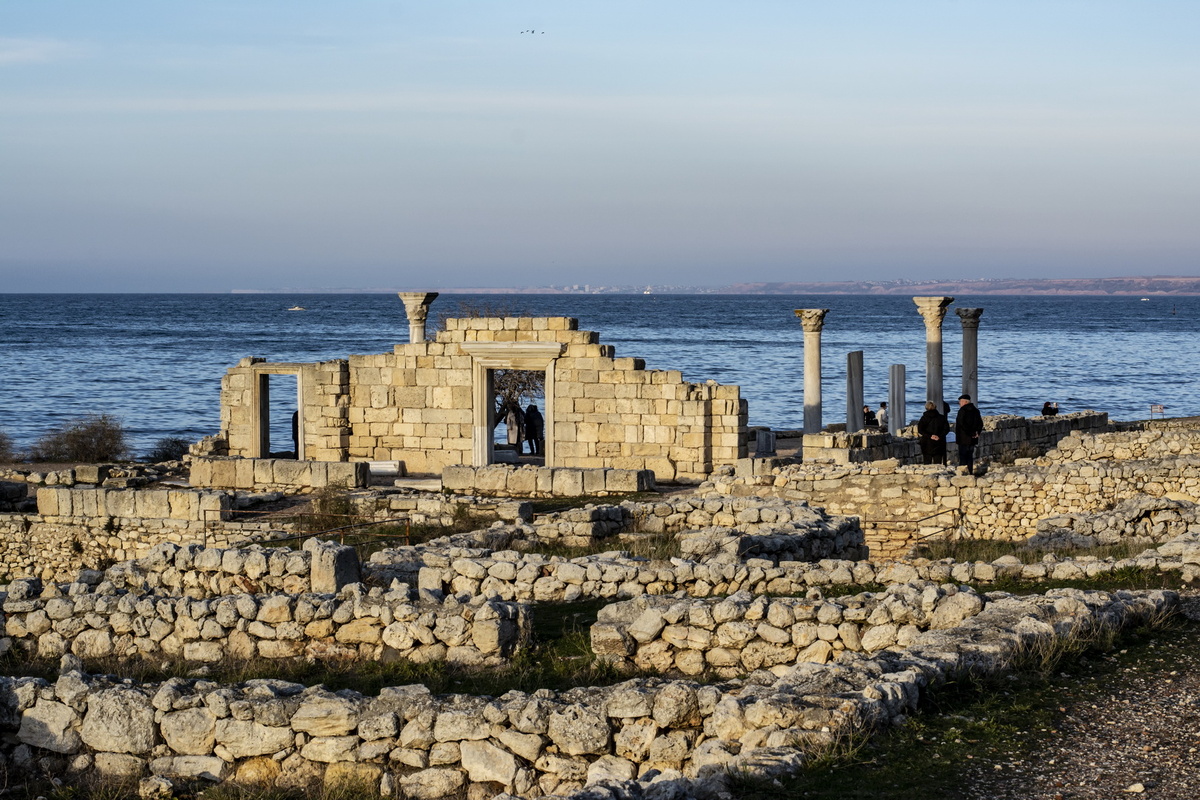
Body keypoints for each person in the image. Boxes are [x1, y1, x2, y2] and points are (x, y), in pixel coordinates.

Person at [955, 393, 984, 473]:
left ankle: (963, 473)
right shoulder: (976, 410)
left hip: (963, 438)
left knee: (963, 456)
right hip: (973, 438)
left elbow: (962, 424)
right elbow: (980, 423)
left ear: (965, 402)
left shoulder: (962, 411)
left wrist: (970, 433)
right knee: (970, 456)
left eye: (960, 402)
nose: (959, 403)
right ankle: (970, 472)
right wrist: (977, 432)